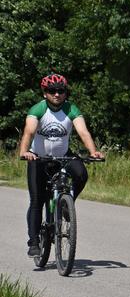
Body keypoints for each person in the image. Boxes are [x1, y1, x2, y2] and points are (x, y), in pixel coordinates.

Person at [18, 73, 104, 257]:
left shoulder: (71, 109)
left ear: (65, 93)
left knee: (81, 174)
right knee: (37, 201)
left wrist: (93, 151)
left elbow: (83, 131)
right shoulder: (38, 109)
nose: (56, 94)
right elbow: (29, 132)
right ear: (45, 93)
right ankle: (34, 242)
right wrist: (25, 151)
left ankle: (66, 204)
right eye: (52, 91)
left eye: (60, 91)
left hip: (62, 156)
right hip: (38, 158)